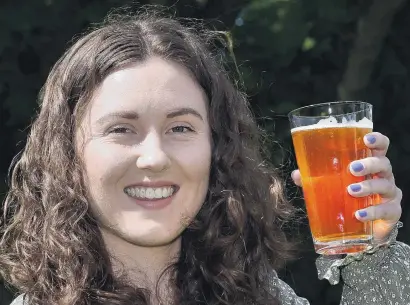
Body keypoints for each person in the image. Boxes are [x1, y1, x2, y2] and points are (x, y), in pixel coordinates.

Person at [0, 9, 408, 305]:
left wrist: (372, 256)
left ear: (217, 149)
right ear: (68, 154)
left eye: (181, 128)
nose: (154, 158)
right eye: (122, 129)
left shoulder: (264, 297)